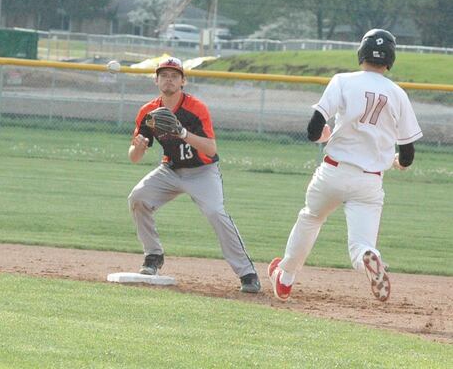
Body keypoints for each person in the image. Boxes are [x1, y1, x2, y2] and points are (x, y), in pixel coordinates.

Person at [268, 29, 422, 303]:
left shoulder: (342, 81)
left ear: (361, 53)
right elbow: (408, 152)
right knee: (360, 244)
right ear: (390, 59)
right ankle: (368, 259)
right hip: (369, 181)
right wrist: (400, 162)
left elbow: (314, 127)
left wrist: (323, 136)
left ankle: (286, 277)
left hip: (333, 171)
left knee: (311, 218)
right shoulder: (398, 94)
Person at [128, 57, 261, 293]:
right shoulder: (149, 111)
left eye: (174, 76)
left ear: (183, 81)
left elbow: (211, 149)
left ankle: (247, 273)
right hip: (170, 170)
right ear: (156, 80)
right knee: (138, 198)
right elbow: (134, 157)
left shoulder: (195, 108)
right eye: (164, 75)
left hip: (203, 172)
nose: (169, 79)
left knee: (215, 213)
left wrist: (182, 132)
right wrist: (138, 146)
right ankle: (153, 256)